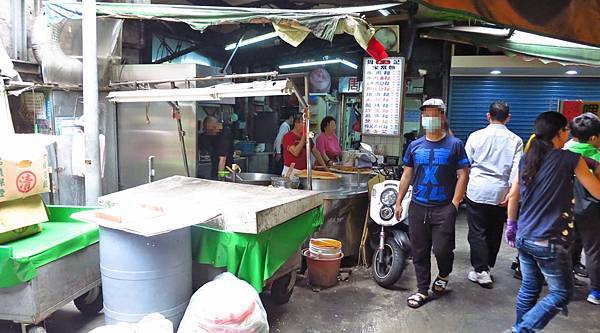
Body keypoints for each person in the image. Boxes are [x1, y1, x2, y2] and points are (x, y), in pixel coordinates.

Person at [504, 112, 600, 333]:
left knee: (530, 287)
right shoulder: (570, 160)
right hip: (548, 241)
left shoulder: (526, 159)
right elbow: (597, 191)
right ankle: (521, 330)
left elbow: (513, 195)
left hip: (524, 237)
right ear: (559, 133)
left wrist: (511, 224)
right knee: (561, 293)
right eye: (565, 130)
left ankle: (520, 326)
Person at [395, 98, 470, 308]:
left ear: (443, 117)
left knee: (442, 249)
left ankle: (444, 274)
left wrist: (455, 203)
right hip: (418, 206)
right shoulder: (414, 146)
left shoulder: (455, 145)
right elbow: (406, 175)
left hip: (443, 207)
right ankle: (422, 290)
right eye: (425, 114)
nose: (429, 118)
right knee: (419, 250)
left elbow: (463, 174)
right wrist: (399, 201)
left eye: (434, 114)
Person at [465, 101, 523, 288]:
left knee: (477, 231)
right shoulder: (516, 140)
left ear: (488, 116)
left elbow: (465, 164)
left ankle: (481, 270)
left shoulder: (475, 136)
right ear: (508, 118)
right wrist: (512, 193)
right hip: (501, 192)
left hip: (477, 190)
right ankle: (487, 265)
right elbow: (517, 171)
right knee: (495, 229)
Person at [566, 113, 600, 304]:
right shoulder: (596, 156)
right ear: (594, 137)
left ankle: (567, 282)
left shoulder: (563, 150)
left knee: (570, 245)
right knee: (594, 250)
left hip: (566, 209)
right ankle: (596, 292)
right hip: (591, 211)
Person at [203, 115, 233, 180]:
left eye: (210, 130)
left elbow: (223, 159)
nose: (209, 133)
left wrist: (220, 178)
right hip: (215, 166)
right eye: (207, 130)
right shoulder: (208, 134)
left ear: (216, 127)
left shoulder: (225, 134)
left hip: (225, 169)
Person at [273, 108, 294, 175]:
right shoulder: (285, 126)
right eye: (293, 118)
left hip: (282, 148)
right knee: (279, 169)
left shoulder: (286, 126)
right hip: (281, 148)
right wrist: (278, 152)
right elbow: (278, 139)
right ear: (291, 117)